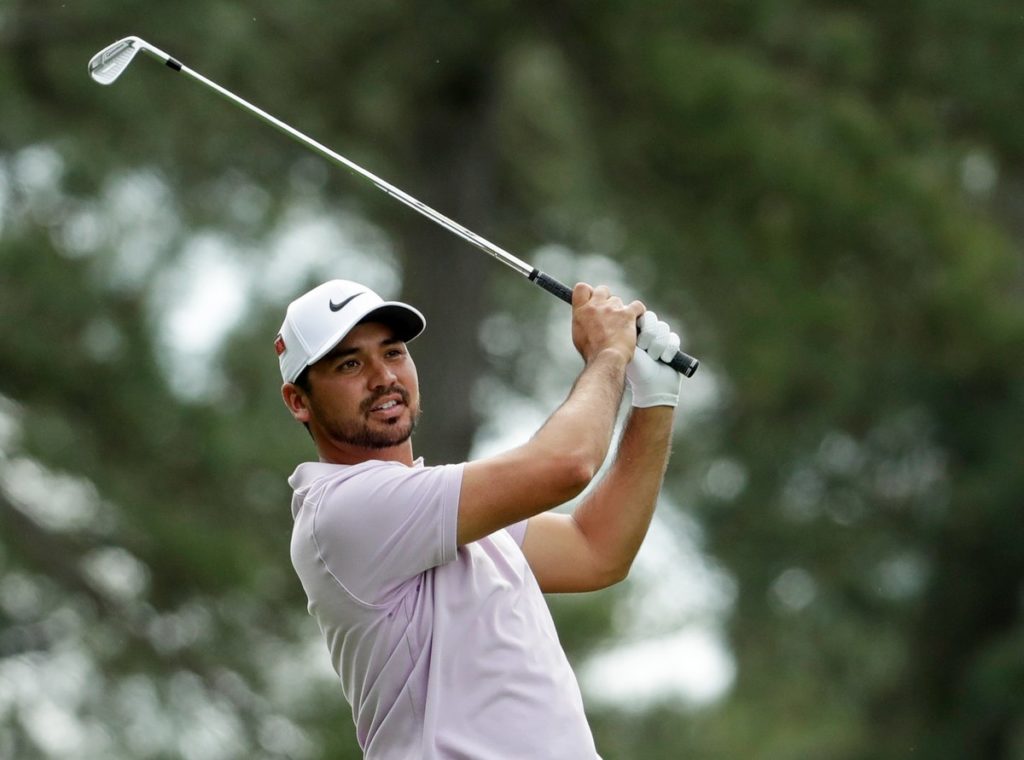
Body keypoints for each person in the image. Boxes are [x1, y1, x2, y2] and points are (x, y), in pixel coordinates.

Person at [276, 278, 682, 759]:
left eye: (393, 353)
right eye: (349, 363)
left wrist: (654, 401)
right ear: (299, 401)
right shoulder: (343, 509)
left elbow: (597, 550)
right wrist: (608, 357)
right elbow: (568, 464)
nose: (382, 376)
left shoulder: (441, 511)